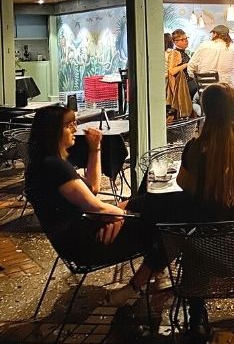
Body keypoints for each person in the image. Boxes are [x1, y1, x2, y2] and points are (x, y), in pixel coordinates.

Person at [24, 105, 164, 306]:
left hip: (77, 236)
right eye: (69, 124)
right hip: (86, 244)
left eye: (75, 122)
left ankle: (155, 275)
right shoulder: (54, 166)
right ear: (53, 131)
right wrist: (124, 216)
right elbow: (96, 207)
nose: (75, 128)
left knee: (149, 202)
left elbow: (93, 189)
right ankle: (135, 287)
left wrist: (95, 148)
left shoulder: (46, 163)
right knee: (165, 228)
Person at [176, 83, 234, 341]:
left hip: (207, 250)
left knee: (190, 231)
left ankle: (197, 316)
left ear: (206, 110)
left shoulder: (195, 148)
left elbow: (184, 185)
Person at [187, 24, 234, 88]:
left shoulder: (204, 46)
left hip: (206, 91)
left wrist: (199, 79)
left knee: (195, 99)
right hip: (228, 92)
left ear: (215, 34)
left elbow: (191, 67)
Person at [166, 29, 193, 118]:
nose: (186, 41)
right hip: (184, 86)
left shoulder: (183, 53)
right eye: (182, 39)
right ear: (175, 42)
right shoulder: (176, 53)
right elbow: (172, 71)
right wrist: (187, 64)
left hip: (188, 84)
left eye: (186, 38)